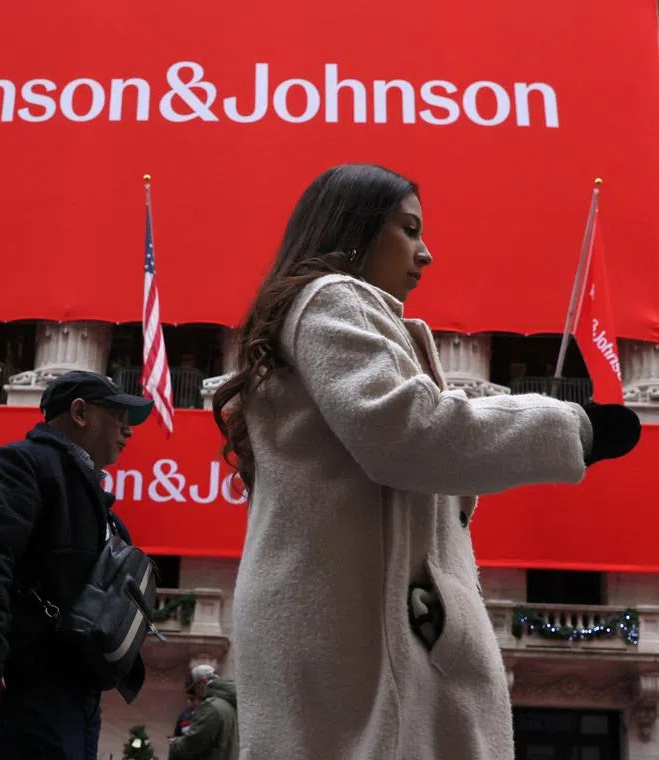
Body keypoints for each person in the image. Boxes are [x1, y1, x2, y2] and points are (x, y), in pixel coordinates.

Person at [211, 164, 642, 760]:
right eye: (408, 229)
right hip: (360, 638)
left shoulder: (327, 314)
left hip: (353, 625)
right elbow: (409, 434)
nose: (425, 253)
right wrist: (575, 428)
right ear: (355, 228)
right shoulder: (334, 298)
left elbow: (421, 423)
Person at [0, 370, 155, 759]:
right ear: (80, 412)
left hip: (78, 684)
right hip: (32, 681)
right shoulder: (20, 464)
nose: (128, 431)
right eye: (118, 418)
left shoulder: (93, 493)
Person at [168, 666, 239, 760]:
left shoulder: (210, 707)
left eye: (193, 690)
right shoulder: (229, 703)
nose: (194, 695)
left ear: (203, 682)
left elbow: (191, 745)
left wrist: (174, 743)